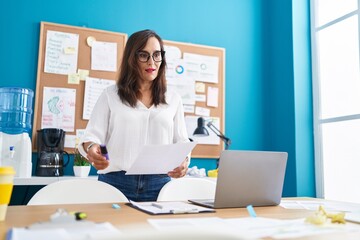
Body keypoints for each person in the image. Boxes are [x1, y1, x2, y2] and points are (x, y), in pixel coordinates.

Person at [78, 29, 190, 202]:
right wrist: (95, 149)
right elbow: (93, 138)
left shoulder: (173, 98)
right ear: (132, 58)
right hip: (115, 182)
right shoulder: (110, 95)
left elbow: (181, 142)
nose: (152, 62)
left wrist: (184, 161)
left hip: (159, 184)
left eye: (157, 55)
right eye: (143, 55)